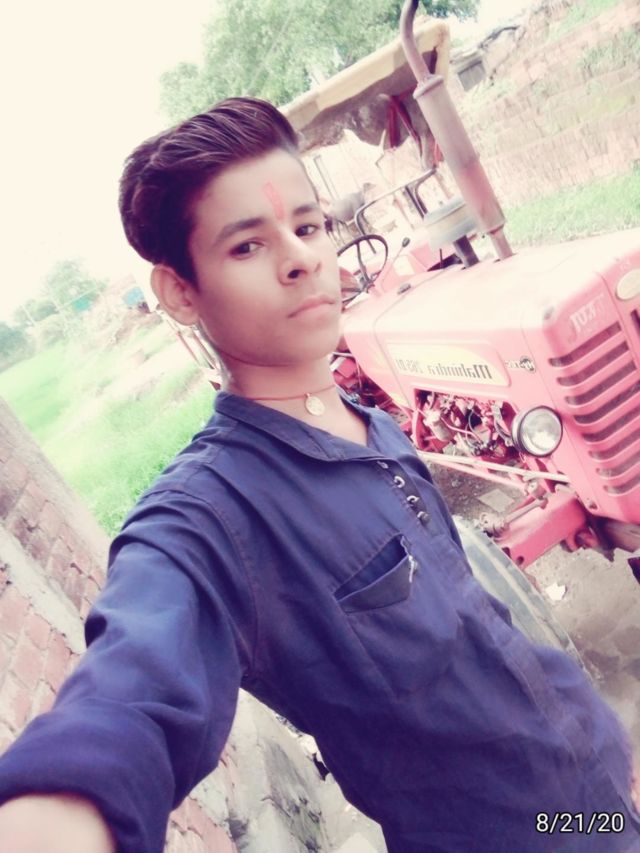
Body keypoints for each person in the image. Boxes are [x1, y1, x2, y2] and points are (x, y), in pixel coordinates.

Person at [0, 97, 639, 853]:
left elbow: (481, 627)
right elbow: (127, 700)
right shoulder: (210, 520)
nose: (301, 259)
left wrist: (610, 761)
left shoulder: (376, 429)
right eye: (247, 245)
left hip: (598, 802)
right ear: (180, 291)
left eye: (308, 228)